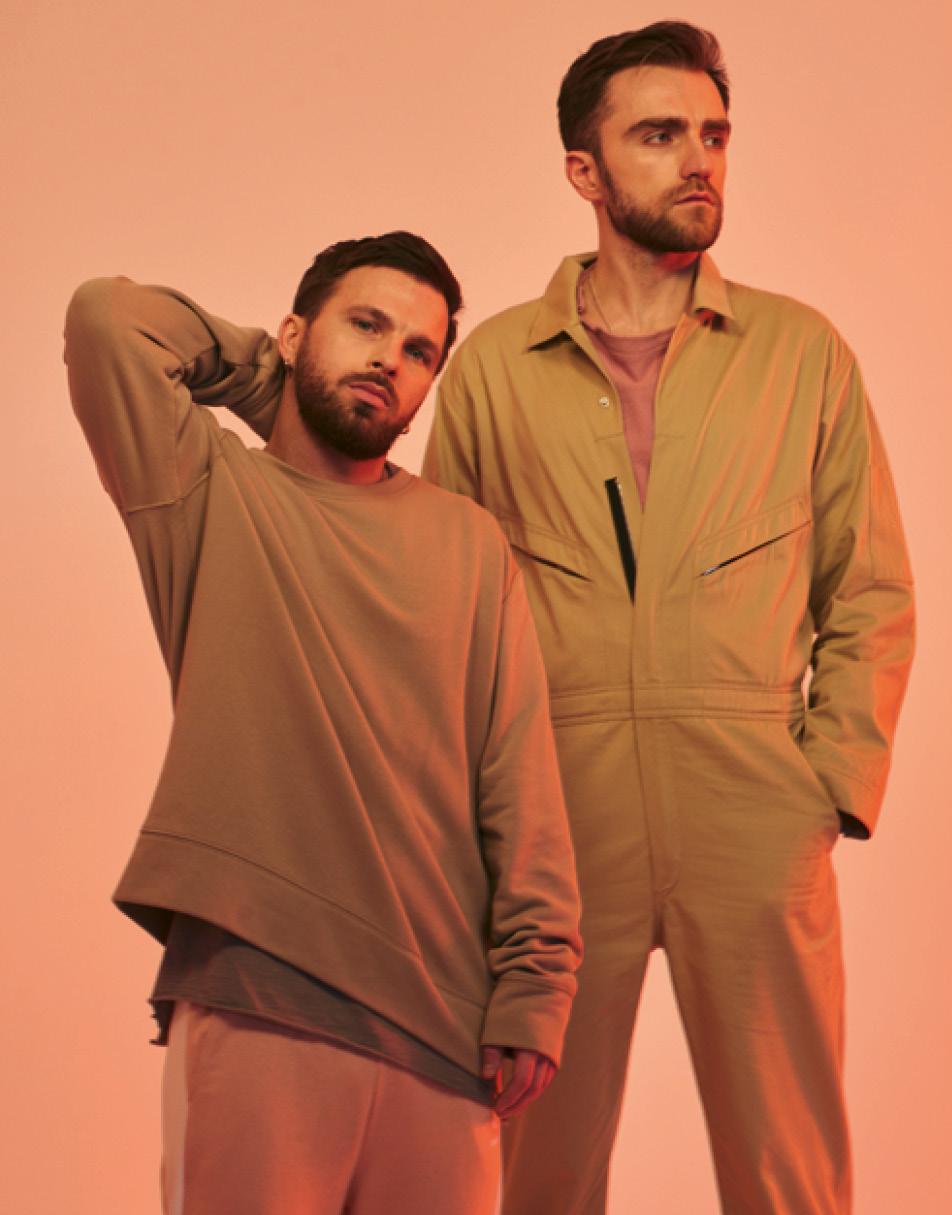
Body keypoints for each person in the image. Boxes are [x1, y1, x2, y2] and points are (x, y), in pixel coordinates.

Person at [423, 22, 915, 1215]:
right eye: (659, 135)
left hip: (754, 804)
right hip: (556, 815)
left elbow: (869, 588)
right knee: (533, 1166)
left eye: (714, 134)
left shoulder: (801, 354)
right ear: (584, 171)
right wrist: (475, 824)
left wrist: (825, 788)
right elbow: (443, 614)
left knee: (789, 1172)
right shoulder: (494, 369)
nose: (699, 159)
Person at [64, 230, 582, 1215]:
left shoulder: (470, 544)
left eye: (420, 351)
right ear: (298, 331)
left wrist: (538, 982)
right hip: (262, 994)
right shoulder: (208, 494)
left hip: (447, 1030)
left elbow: (518, 776)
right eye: (366, 325)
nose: (391, 359)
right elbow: (106, 321)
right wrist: (274, 385)